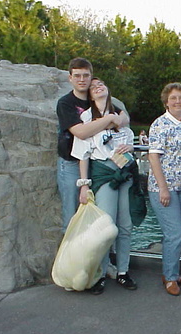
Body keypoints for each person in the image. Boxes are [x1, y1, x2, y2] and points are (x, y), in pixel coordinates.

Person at [71, 78, 137, 295]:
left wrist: (131, 147)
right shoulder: (87, 118)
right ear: (90, 95)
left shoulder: (121, 117)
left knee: (125, 225)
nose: (98, 86)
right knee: (106, 228)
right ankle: (99, 273)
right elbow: (83, 154)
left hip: (124, 171)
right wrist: (84, 185)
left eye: (101, 84)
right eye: (93, 86)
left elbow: (128, 141)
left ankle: (123, 271)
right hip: (104, 173)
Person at [56, 57, 129, 232]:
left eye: (86, 75)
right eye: (77, 76)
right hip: (71, 163)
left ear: (91, 76)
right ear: (70, 78)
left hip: (96, 163)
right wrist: (109, 120)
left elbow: (124, 117)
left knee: (98, 215)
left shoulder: (95, 97)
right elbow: (80, 132)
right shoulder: (66, 103)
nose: (82, 80)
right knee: (73, 214)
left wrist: (112, 119)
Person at [148, 83, 181, 296]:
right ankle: (169, 277)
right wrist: (163, 188)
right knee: (174, 233)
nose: (178, 101)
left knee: (178, 233)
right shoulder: (159, 124)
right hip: (163, 187)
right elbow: (153, 156)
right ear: (166, 101)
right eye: (173, 98)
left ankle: (173, 273)